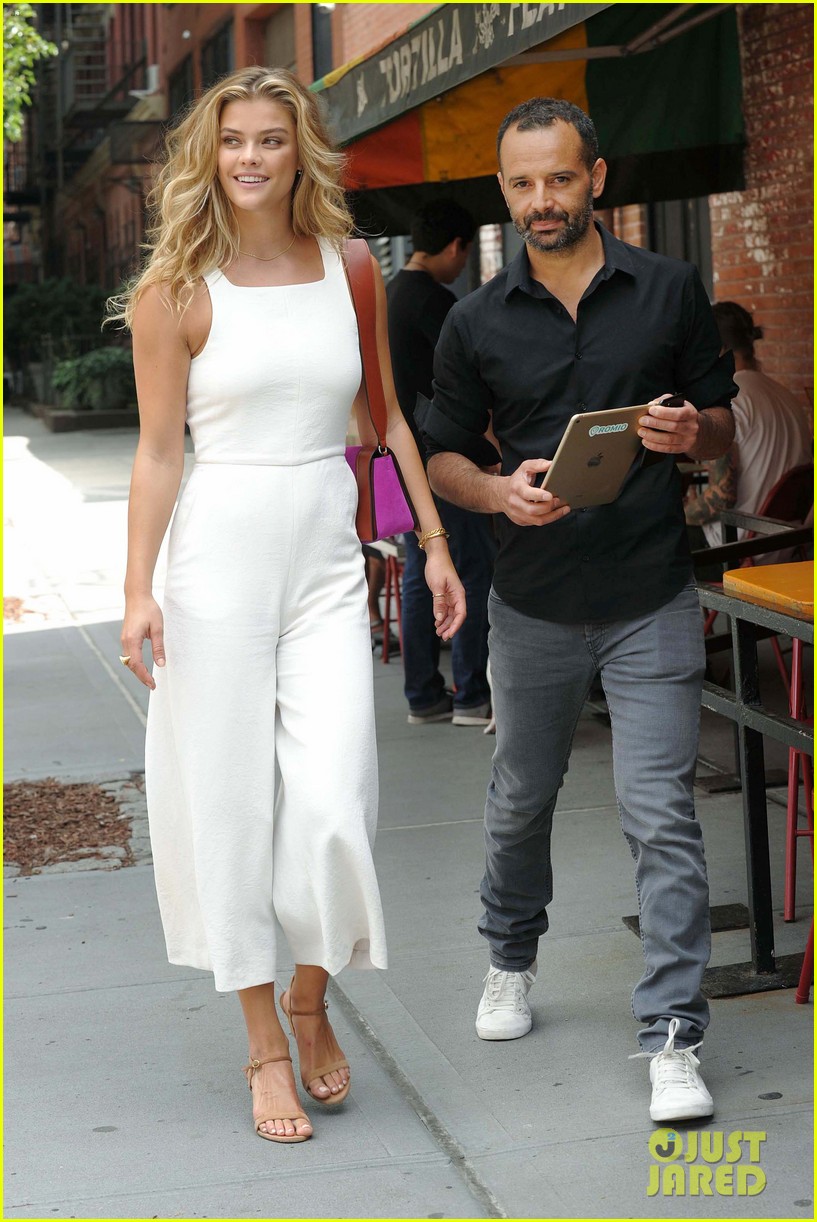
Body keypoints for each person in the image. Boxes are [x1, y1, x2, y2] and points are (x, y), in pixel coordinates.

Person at [113, 66, 465, 1145]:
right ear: (208, 157)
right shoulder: (175, 288)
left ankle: (313, 995)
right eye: (234, 142)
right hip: (216, 563)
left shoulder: (351, 267)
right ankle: (265, 1037)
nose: (252, 157)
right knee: (227, 809)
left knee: (333, 803)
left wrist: (436, 546)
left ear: (300, 149)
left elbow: (388, 420)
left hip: (325, 564)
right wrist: (137, 589)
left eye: (272, 138)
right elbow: (160, 451)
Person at [421, 97, 737, 1124]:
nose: (539, 200)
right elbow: (441, 457)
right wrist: (495, 490)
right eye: (520, 183)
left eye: (558, 178)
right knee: (521, 797)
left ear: (596, 179)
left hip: (648, 590)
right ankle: (509, 958)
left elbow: (723, 428)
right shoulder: (473, 319)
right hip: (534, 603)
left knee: (661, 813)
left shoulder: (671, 288)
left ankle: (673, 1033)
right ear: (503, 191)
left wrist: (690, 431)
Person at [386, 200, 496, 725]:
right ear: (456, 247)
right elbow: (461, 386)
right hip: (441, 457)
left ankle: (424, 695)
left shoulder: (386, 294)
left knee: (419, 572)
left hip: (398, 456)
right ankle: (473, 694)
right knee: (470, 567)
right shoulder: (434, 301)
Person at [685, 301, 812, 554]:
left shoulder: (728, 403)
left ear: (716, 348)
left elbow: (721, 498)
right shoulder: (786, 396)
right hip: (784, 545)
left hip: (738, 548)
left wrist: (680, 513)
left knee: (652, 539)